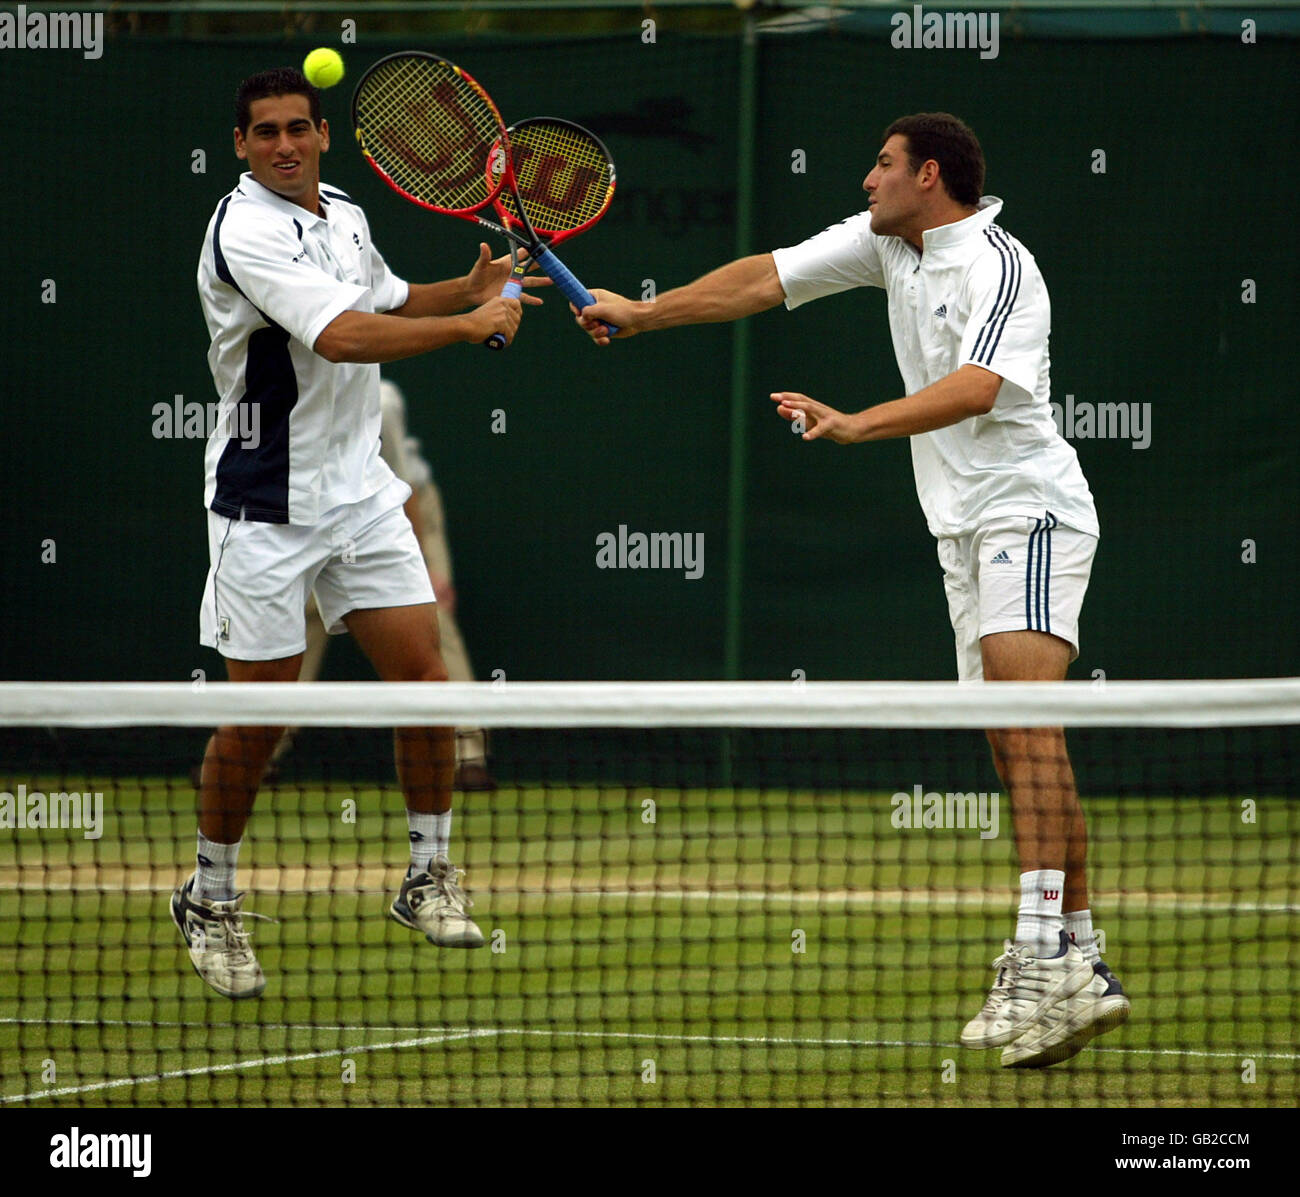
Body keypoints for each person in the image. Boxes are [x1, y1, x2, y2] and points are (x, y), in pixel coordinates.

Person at [576, 112, 1129, 1069]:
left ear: (929, 175)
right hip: (962, 527)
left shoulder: (1000, 264)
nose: (865, 180)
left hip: (1028, 510)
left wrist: (857, 424)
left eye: (880, 165)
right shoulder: (890, 250)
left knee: (1029, 731)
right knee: (1017, 742)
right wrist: (645, 311)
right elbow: (767, 275)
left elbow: (978, 386)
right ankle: (1078, 954)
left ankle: (1045, 957)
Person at [175, 67, 540, 1000]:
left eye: (299, 127)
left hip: (362, 494)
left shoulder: (342, 212)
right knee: (262, 719)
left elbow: (386, 297)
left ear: (324, 135)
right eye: (266, 133)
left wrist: (465, 285)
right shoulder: (245, 230)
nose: (286, 145)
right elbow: (338, 336)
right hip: (264, 503)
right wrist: (468, 328)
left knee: (427, 685)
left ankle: (427, 875)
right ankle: (210, 896)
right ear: (241, 146)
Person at [267, 378, 497, 790]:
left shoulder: (382, 399)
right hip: (313, 510)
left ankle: (468, 752)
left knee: (432, 624)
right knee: (297, 626)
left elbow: (403, 484)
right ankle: (260, 750)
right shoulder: (279, 388)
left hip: (399, 506)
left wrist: (424, 566)